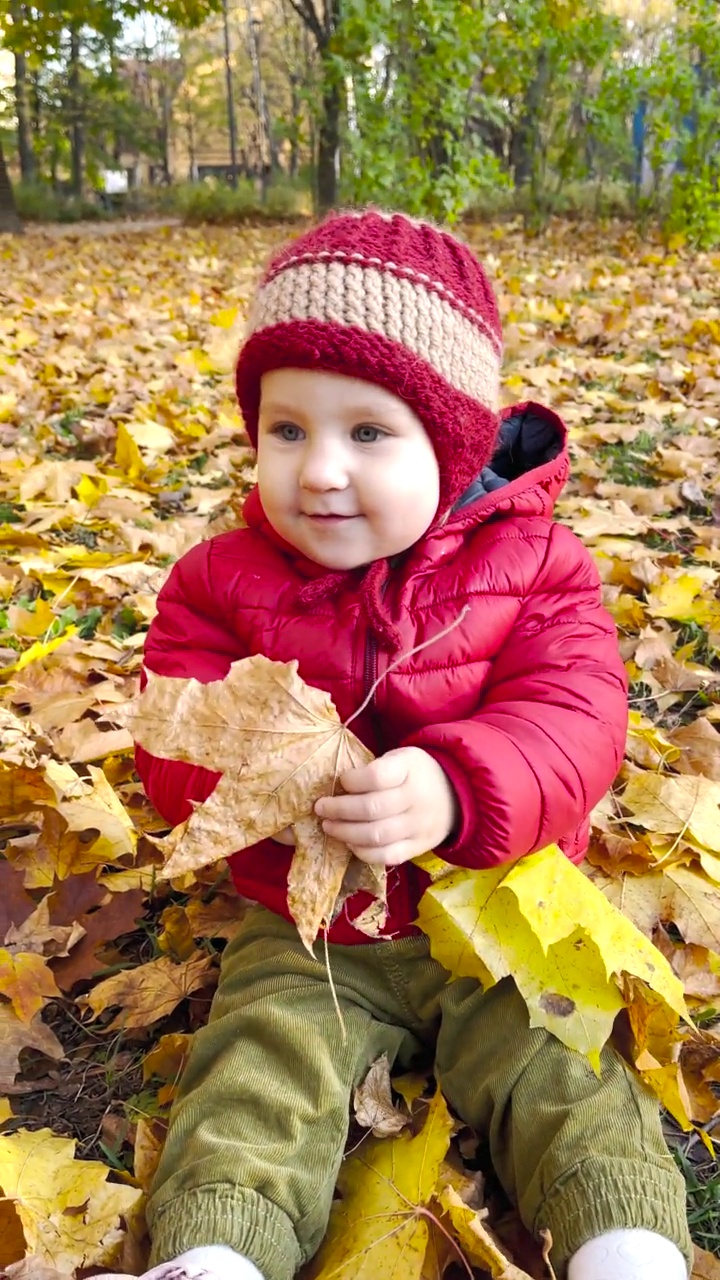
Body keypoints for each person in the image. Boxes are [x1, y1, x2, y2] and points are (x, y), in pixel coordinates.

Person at [111, 210, 692, 1280]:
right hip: (313, 920)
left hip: (490, 905)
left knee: (556, 1055)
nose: (320, 471)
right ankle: (216, 1249)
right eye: (287, 430)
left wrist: (458, 783)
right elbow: (173, 724)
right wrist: (262, 779)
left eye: (367, 433)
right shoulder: (219, 580)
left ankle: (621, 1232)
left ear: (454, 441)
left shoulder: (536, 568)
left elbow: (576, 713)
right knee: (262, 1066)